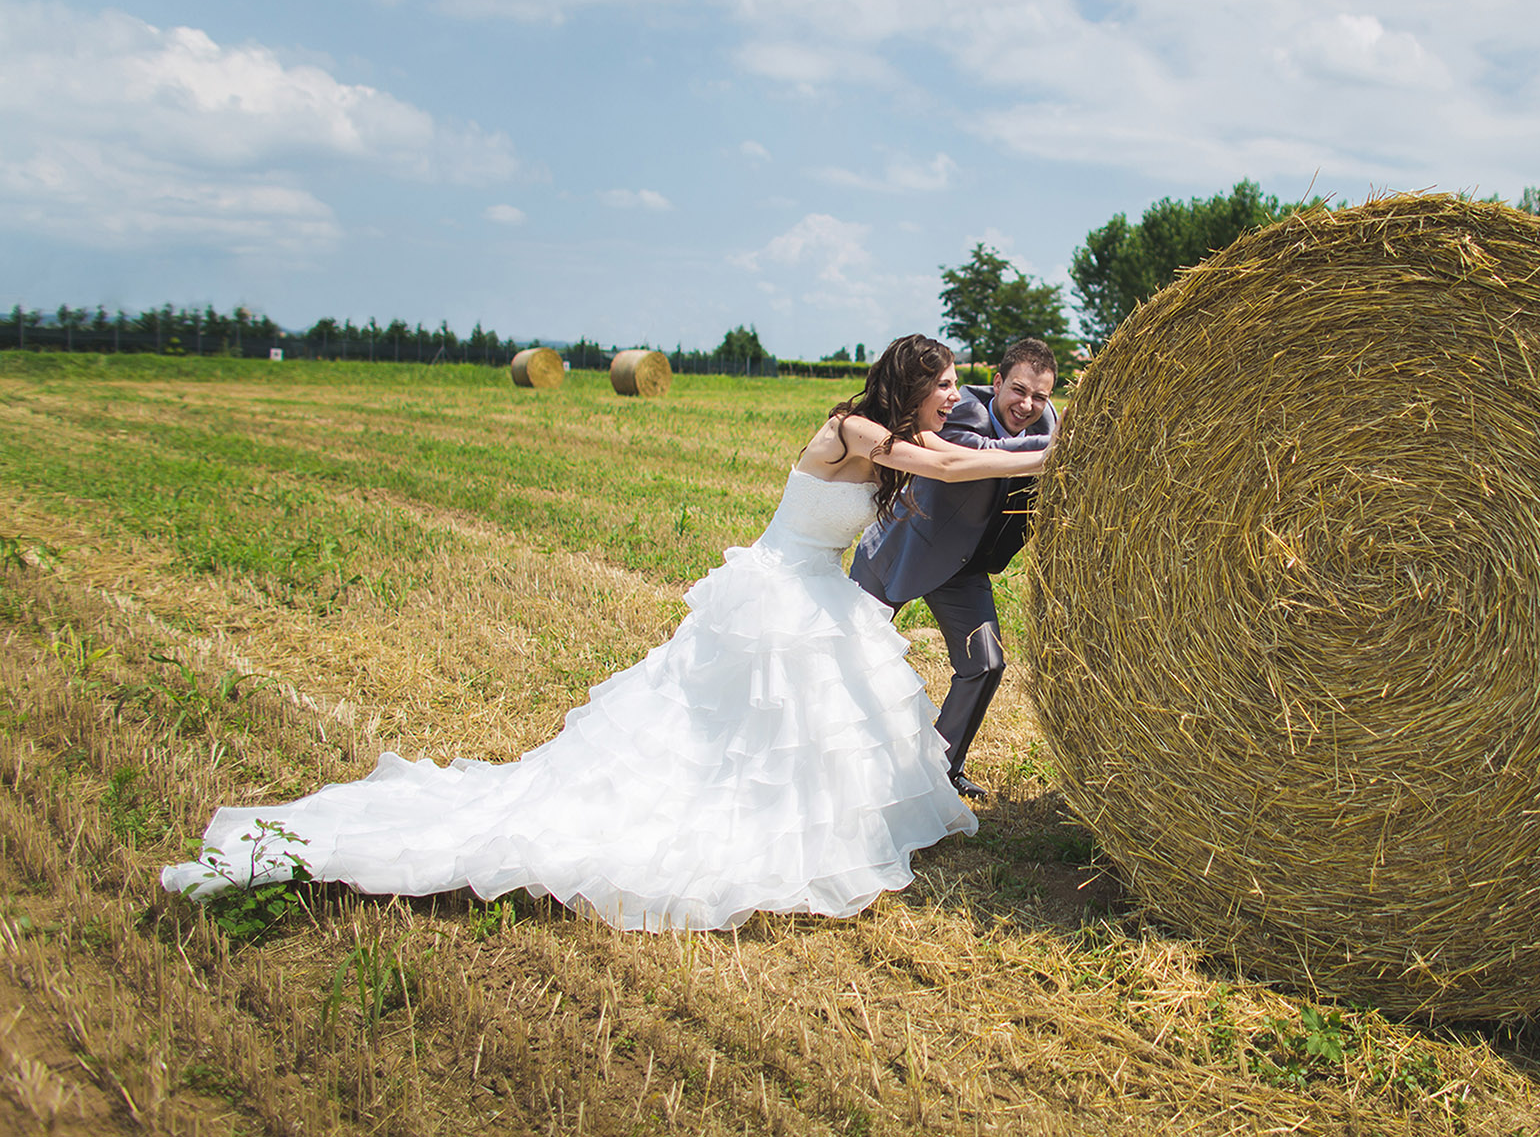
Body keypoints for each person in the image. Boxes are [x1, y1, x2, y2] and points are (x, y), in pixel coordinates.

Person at [161, 335, 1045, 931]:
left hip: (817, 590)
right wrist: (1055, 451)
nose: (953, 397)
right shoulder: (855, 426)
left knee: (815, 722)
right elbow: (953, 463)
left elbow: (951, 459)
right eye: (943, 384)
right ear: (909, 384)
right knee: (738, 731)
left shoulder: (886, 429)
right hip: (780, 586)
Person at [850, 337, 1058, 800]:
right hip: (904, 548)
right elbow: (983, 454)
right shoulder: (963, 409)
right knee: (848, 657)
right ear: (998, 382)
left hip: (964, 567)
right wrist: (1067, 446)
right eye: (1018, 390)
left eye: (1040, 397)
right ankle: (836, 757)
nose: (1027, 405)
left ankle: (938, 774)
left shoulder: (1050, 422)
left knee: (986, 664)